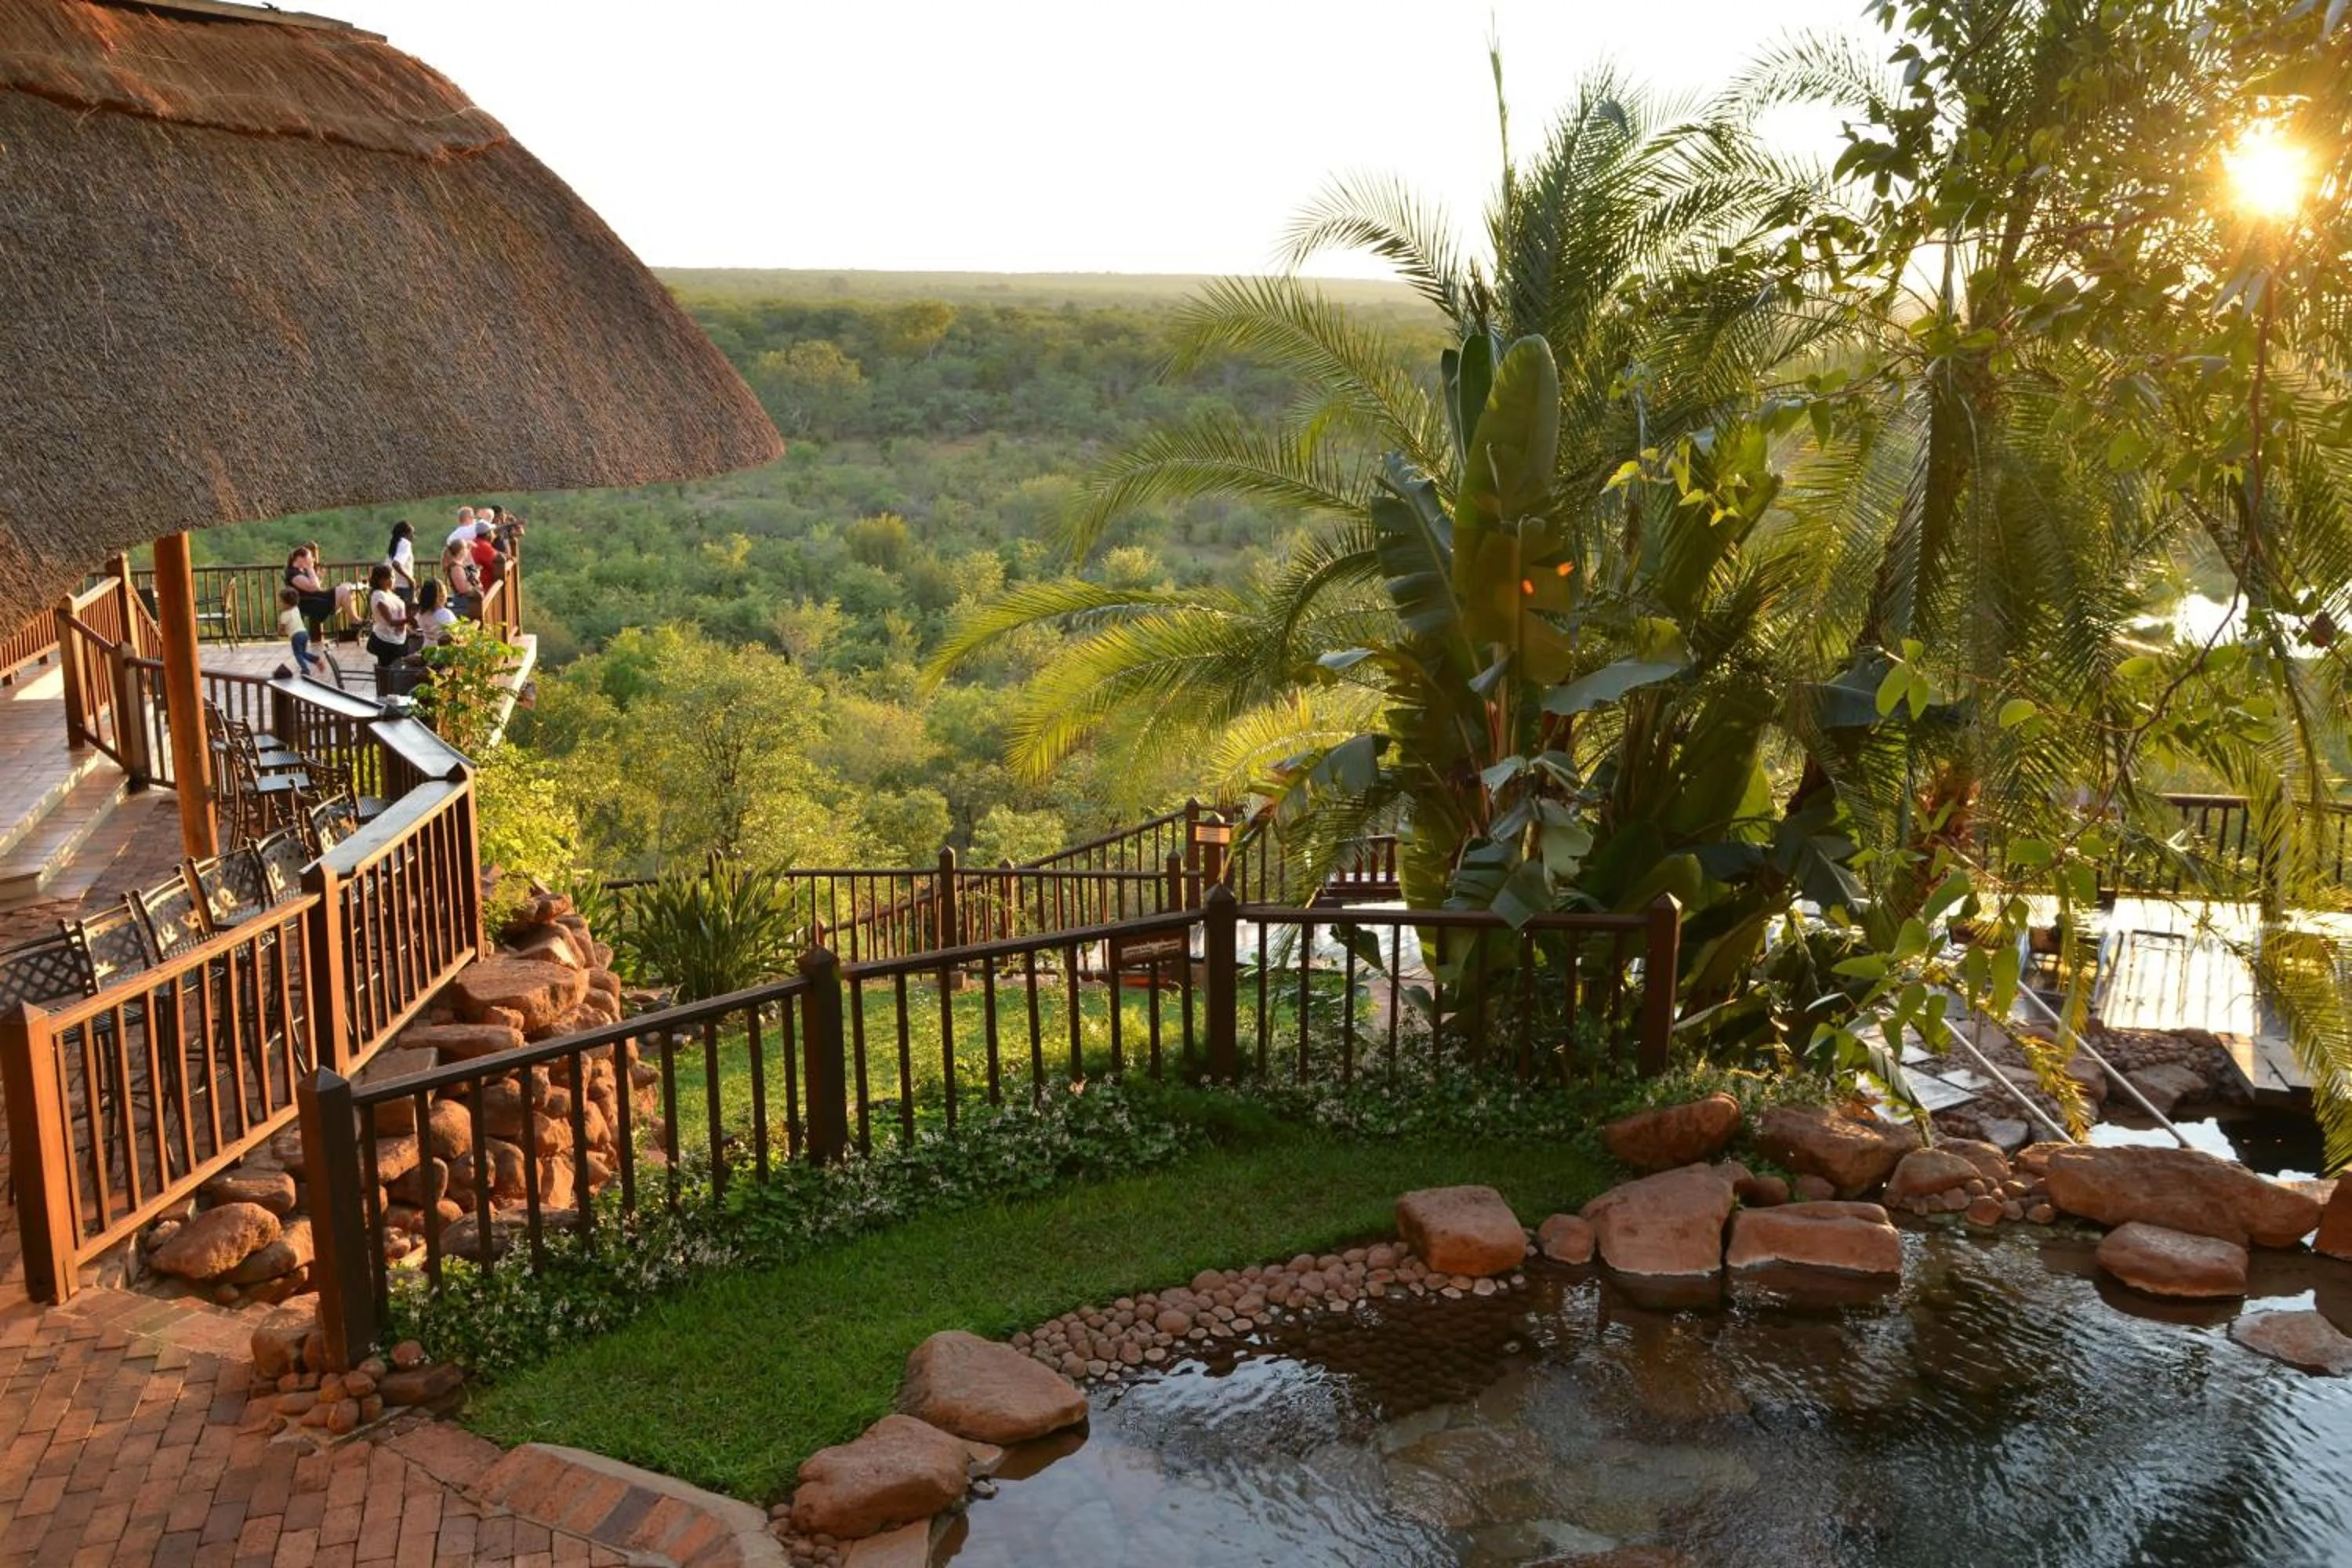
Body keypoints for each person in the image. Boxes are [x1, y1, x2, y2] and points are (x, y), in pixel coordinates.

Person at [364, 564, 408, 668]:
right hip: (387, 641)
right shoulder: (379, 595)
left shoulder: (390, 594)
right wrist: (409, 619)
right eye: (389, 578)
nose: (392, 580)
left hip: (398, 639)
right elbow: (391, 622)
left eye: (392, 577)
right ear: (380, 580)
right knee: (389, 669)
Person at [285, 546, 335, 633]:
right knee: (335, 597)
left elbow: (315, 587)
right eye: (310, 557)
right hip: (305, 602)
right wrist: (310, 568)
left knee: (340, 591)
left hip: (311, 598)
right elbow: (315, 587)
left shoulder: (302, 571)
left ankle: (354, 623)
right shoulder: (294, 573)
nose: (312, 560)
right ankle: (354, 624)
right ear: (300, 558)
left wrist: (319, 577)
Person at [278, 586, 321, 677]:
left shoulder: (284, 615)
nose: (279, 603)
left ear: (287, 604)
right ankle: (316, 660)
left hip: (296, 636)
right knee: (303, 653)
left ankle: (305, 670)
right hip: (304, 633)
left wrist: (280, 631)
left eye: (280, 601)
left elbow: (280, 630)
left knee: (298, 654)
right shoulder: (296, 609)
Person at [441, 539, 481, 619]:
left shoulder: (460, 564)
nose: (467, 550)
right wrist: (476, 577)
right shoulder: (456, 568)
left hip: (468, 601)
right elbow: (463, 589)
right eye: (466, 548)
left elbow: (470, 565)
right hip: (464, 603)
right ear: (461, 551)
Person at [414, 579, 457, 645]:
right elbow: (455, 632)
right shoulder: (445, 614)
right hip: (443, 649)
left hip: (427, 647)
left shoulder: (421, 614)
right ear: (441, 596)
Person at [384, 521, 416, 608]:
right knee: (407, 612)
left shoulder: (395, 543)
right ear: (405, 534)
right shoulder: (405, 543)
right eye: (412, 533)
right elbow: (396, 564)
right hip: (404, 586)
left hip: (392, 585)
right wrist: (410, 579)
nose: (413, 536)